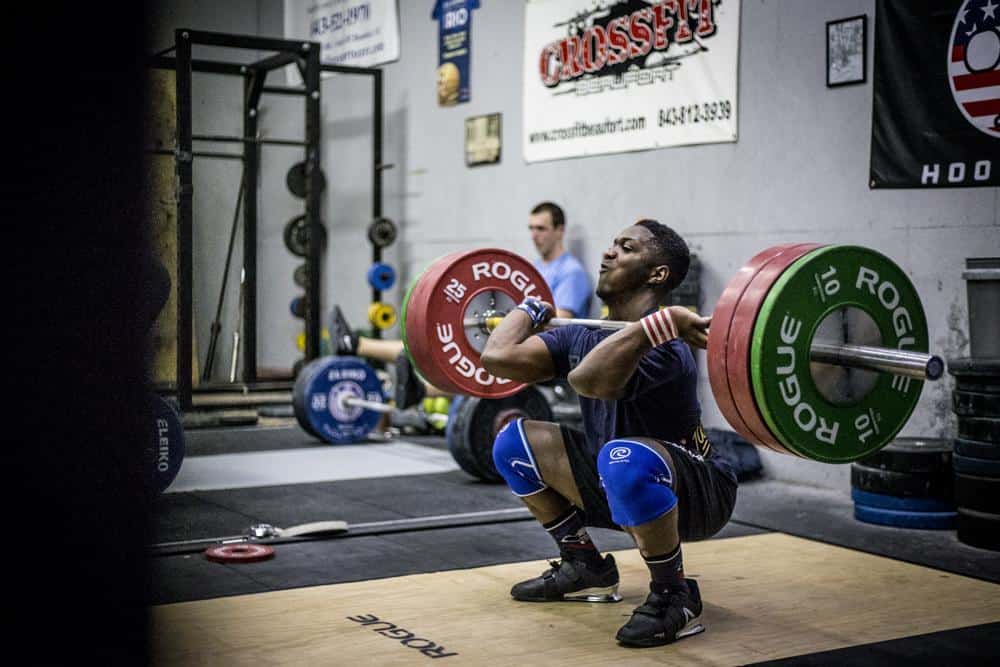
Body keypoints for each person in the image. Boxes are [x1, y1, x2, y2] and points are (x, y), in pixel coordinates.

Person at [479, 219, 737, 649]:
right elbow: (498, 356)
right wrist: (529, 308)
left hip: (699, 492)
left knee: (623, 456)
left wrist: (664, 323)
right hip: (616, 477)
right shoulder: (588, 332)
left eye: (626, 247)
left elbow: (589, 381)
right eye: (612, 243)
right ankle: (583, 565)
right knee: (513, 442)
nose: (608, 252)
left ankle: (675, 594)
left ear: (658, 274)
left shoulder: (667, 347)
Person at [329, 201, 593, 408]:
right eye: (531, 228)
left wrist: (509, 326)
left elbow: (559, 322)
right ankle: (366, 351)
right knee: (437, 338)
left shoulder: (571, 273)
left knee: (474, 355)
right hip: (512, 339)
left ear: (560, 230)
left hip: (545, 354)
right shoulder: (535, 268)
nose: (535, 235)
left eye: (542, 228)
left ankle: (396, 372)